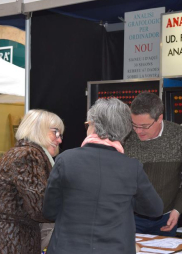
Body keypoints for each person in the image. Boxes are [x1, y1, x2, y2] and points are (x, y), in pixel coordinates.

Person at [43, 98, 163, 254]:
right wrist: (126, 201)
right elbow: (155, 209)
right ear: (124, 130)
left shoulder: (65, 160)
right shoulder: (131, 167)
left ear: (93, 125)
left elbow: (49, 211)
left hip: (68, 248)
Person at [0, 109, 64, 254]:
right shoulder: (28, 155)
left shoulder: (23, 152)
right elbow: (40, 208)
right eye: (56, 132)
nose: (59, 139)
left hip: (5, 240)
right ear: (39, 129)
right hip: (9, 242)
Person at [124, 92, 182, 237]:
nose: (138, 131)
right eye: (134, 125)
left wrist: (178, 209)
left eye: (144, 126)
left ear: (159, 118)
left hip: (166, 218)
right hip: (128, 218)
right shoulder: (125, 136)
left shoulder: (179, 136)